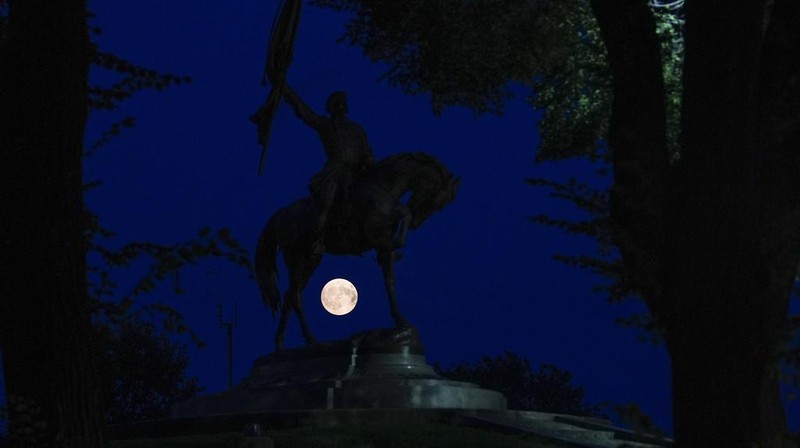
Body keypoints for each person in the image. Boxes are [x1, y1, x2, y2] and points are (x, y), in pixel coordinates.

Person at [282, 85, 376, 254]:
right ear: (331, 107)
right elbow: (305, 113)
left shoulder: (356, 129)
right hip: (335, 171)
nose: (340, 106)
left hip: (357, 172)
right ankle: (316, 240)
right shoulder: (326, 125)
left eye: (342, 102)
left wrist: (371, 163)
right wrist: (287, 92)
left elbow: (366, 151)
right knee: (326, 202)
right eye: (337, 103)